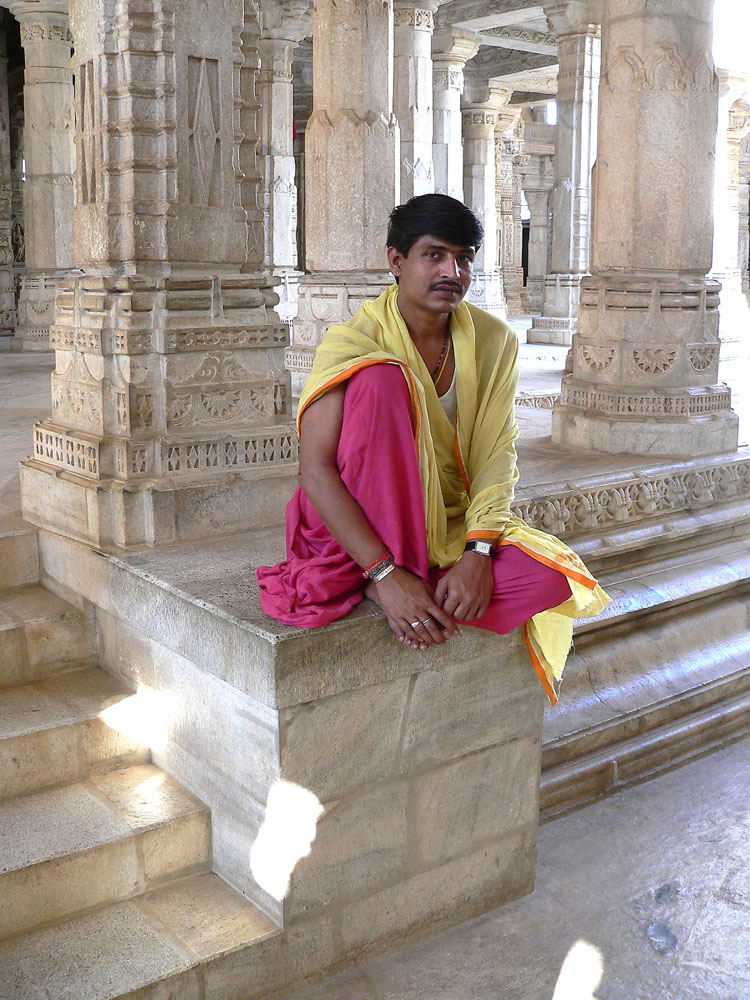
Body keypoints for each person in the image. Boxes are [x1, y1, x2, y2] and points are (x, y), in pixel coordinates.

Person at [258, 194, 609, 704]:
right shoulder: (352, 343)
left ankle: (422, 579)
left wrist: (479, 552)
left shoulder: (494, 341)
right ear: (396, 262)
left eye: (464, 258)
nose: (453, 271)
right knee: (382, 381)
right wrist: (385, 572)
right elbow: (315, 472)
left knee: (550, 581)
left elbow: (496, 452)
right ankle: (386, 580)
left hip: (445, 522)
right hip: (358, 526)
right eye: (434, 255)